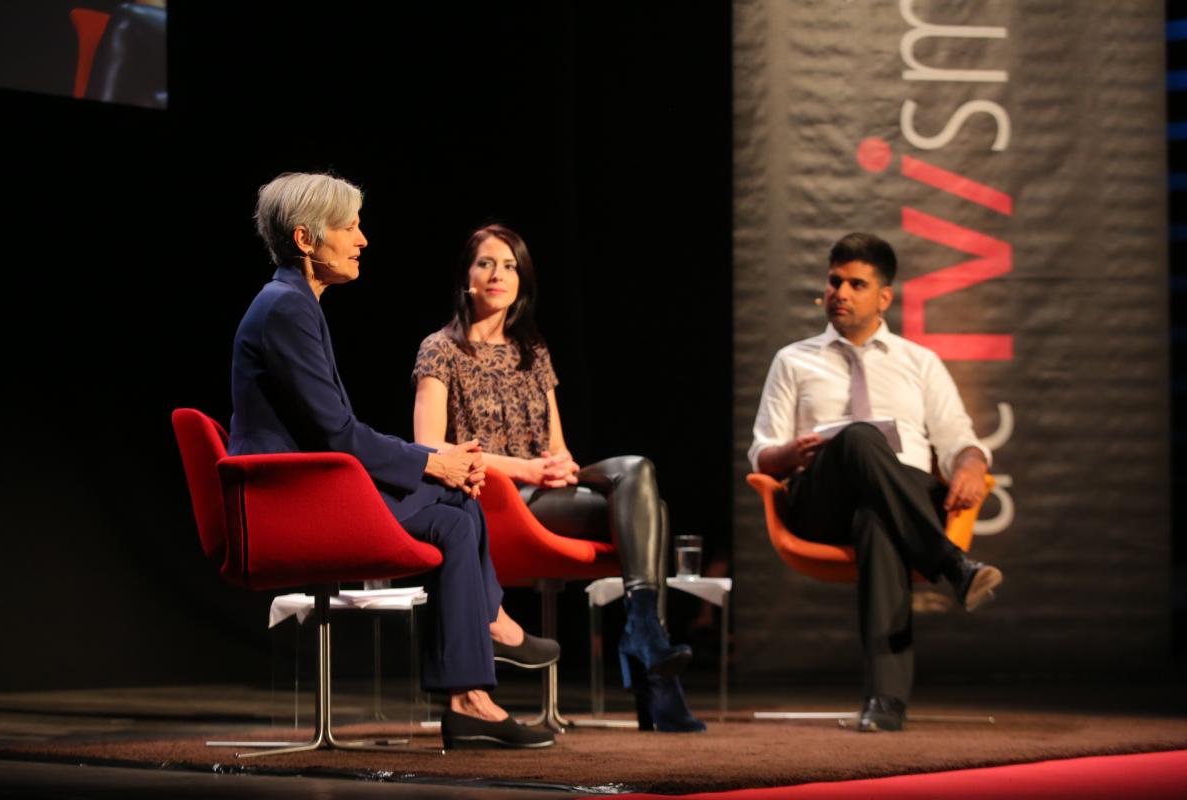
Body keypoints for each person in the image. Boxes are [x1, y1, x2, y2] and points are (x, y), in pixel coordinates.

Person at [229, 173, 557, 749]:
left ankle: (470, 696)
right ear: (305, 239)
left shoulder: (296, 303)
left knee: (455, 518)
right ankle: (490, 627)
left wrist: (437, 461)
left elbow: (337, 431)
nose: (362, 239)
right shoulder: (286, 309)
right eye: (349, 227)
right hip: (291, 503)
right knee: (455, 495)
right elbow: (339, 434)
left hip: (312, 489)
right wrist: (433, 462)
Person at [412, 223, 705, 733]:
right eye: (486, 263)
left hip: (545, 490)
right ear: (466, 278)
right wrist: (526, 469)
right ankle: (652, 668)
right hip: (494, 496)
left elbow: (557, 444)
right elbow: (429, 447)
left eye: (510, 266)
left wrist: (562, 465)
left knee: (637, 472)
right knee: (651, 513)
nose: (498, 274)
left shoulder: (533, 351)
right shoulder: (440, 349)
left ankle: (644, 635)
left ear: (521, 280)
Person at [748, 232, 1003, 733]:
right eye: (834, 281)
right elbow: (763, 452)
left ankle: (886, 701)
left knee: (877, 519)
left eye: (856, 284)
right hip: (822, 500)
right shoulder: (793, 359)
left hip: (900, 495)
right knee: (860, 436)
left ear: (884, 297)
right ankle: (951, 564)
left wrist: (973, 464)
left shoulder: (919, 361)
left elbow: (959, 440)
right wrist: (790, 453)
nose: (840, 292)